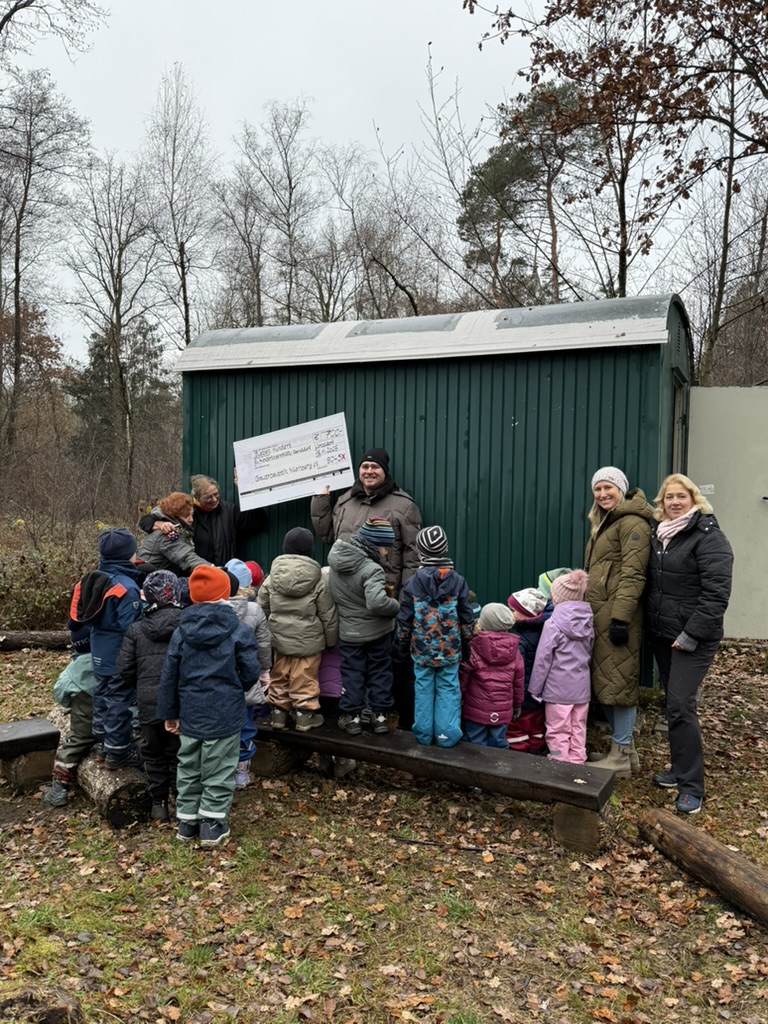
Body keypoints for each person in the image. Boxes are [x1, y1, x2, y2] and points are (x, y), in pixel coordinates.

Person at [157, 565, 264, 847]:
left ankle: (187, 822)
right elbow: (251, 670)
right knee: (218, 768)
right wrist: (236, 687)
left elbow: (169, 674)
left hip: (190, 712)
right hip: (225, 712)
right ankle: (212, 824)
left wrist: (170, 713)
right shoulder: (238, 631)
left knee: (189, 765)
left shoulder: (181, 632)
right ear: (225, 593)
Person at [645, 474, 733, 815]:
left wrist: (692, 633)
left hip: (694, 637)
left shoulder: (708, 537)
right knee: (673, 704)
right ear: (662, 502)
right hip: (664, 633)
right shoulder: (660, 535)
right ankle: (679, 769)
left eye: (681, 496)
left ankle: (691, 788)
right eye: (669, 497)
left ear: (694, 499)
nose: (675, 502)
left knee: (681, 705)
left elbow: (716, 593)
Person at [583, 466, 652, 777]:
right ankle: (626, 752)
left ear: (621, 489)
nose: (602, 494)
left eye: (608, 487)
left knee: (619, 682)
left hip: (617, 616)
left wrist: (621, 618)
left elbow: (633, 574)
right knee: (607, 681)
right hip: (601, 614)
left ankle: (621, 753)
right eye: (598, 489)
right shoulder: (604, 523)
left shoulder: (633, 524)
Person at [71, 528, 145, 770]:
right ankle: (118, 752)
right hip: (119, 654)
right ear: (127, 554)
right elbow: (132, 627)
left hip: (98, 650)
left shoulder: (89, 580)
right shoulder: (126, 588)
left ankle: (104, 743)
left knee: (101, 694)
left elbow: (75, 619)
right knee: (119, 701)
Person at [397, 526, 475, 748]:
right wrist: (466, 644)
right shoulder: (458, 581)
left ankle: (423, 734)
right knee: (448, 688)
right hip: (450, 650)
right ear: (445, 549)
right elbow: (467, 618)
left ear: (421, 553)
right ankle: (446, 735)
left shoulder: (412, 583)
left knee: (422, 687)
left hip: (421, 650)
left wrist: (402, 645)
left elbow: (404, 619)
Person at [116, 570, 183, 822]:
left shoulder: (136, 630)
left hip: (148, 702)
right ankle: (182, 802)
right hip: (179, 702)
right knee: (179, 754)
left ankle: (159, 804)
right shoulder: (188, 624)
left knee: (153, 753)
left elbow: (124, 669)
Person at [311, 447, 422, 595]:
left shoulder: (404, 506)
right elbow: (328, 535)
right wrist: (320, 500)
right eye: (365, 466)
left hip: (382, 592)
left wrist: (405, 599)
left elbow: (413, 560)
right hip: (345, 592)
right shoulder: (345, 502)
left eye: (375, 467)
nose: (369, 471)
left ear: (385, 471)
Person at [258, 528, 338, 732]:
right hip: (309, 642)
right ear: (310, 551)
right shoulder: (319, 580)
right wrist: (330, 641)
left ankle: (278, 715)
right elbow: (327, 615)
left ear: (285, 548)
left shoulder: (271, 577)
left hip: (279, 641)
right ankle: (304, 717)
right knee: (305, 678)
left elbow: (262, 608)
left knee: (280, 675)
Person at [327, 516, 401, 735]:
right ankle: (379, 716)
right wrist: (395, 605)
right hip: (377, 632)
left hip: (349, 632)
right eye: (384, 547)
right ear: (372, 545)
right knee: (379, 672)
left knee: (352, 673)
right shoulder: (372, 569)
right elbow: (377, 602)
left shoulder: (336, 564)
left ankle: (352, 717)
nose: (386, 553)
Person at [528, 570, 594, 764]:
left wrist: (535, 688)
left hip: (558, 690)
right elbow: (589, 652)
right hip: (581, 688)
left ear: (557, 597)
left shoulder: (553, 623)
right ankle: (577, 761)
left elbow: (543, 659)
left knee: (557, 729)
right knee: (578, 727)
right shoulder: (589, 621)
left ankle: (558, 762)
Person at [139, 474, 267, 566]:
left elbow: (257, 521)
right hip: (193, 571)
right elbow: (146, 521)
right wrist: (157, 523)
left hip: (219, 570)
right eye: (208, 497)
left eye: (216, 494)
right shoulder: (184, 510)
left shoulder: (229, 511)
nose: (214, 500)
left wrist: (246, 490)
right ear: (197, 497)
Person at [225, 562, 272, 788]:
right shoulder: (254, 610)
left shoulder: (214, 607)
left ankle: (221, 768)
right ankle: (241, 772)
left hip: (220, 678)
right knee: (245, 723)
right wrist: (264, 671)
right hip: (246, 675)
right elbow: (263, 645)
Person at [40, 623, 97, 807]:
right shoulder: (110, 659)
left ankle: (59, 788)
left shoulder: (74, 670)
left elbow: (60, 692)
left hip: (85, 723)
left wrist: (69, 702)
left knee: (73, 745)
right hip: (116, 720)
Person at [459, 603, 524, 748]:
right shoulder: (515, 651)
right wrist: (517, 704)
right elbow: (518, 682)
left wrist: (459, 699)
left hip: (474, 710)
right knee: (499, 744)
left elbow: (463, 679)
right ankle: (499, 769)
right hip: (503, 711)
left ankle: (476, 769)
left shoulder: (473, 647)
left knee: (475, 745)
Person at [136, 492, 211, 576]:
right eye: (186, 515)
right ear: (174, 514)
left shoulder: (176, 526)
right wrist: (211, 568)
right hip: (155, 580)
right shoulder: (166, 532)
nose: (191, 519)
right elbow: (185, 556)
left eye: (191, 515)